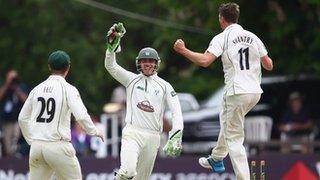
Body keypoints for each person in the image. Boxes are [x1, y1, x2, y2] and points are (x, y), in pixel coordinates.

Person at [173, 2, 273, 180]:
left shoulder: (223, 38)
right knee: (227, 121)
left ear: (222, 19)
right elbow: (269, 65)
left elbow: (205, 61)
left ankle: (243, 177)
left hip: (237, 92)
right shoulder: (252, 36)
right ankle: (217, 158)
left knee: (234, 137)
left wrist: (183, 50)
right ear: (236, 18)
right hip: (255, 93)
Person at [104, 23, 184, 180]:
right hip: (132, 133)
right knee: (127, 172)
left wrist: (176, 135)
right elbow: (110, 66)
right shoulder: (131, 80)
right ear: (138, 63)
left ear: (156, 63)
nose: (147, 63)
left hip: (154, 137)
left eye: (151, 61)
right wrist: (110, 50)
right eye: (144, 60)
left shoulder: (165, 86)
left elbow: (176, 111)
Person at [18, 50, 104, 180]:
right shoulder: (68, 89)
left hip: (37, 147)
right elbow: (81, 116)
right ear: (68, 68)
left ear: (49, 66)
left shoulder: (37, 89)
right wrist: (94, 131)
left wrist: (32, 140)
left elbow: (22, 118)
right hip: (57, 146)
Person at [0, 69, 28, 156]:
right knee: (8, 145)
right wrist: (7, 84)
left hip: (18, 120)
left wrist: (17, 89)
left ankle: (17, 154)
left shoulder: (21, 87)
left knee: (16, 140)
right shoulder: (5, 88)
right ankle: (11, 159)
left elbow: (26, 101)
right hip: (7, 120)